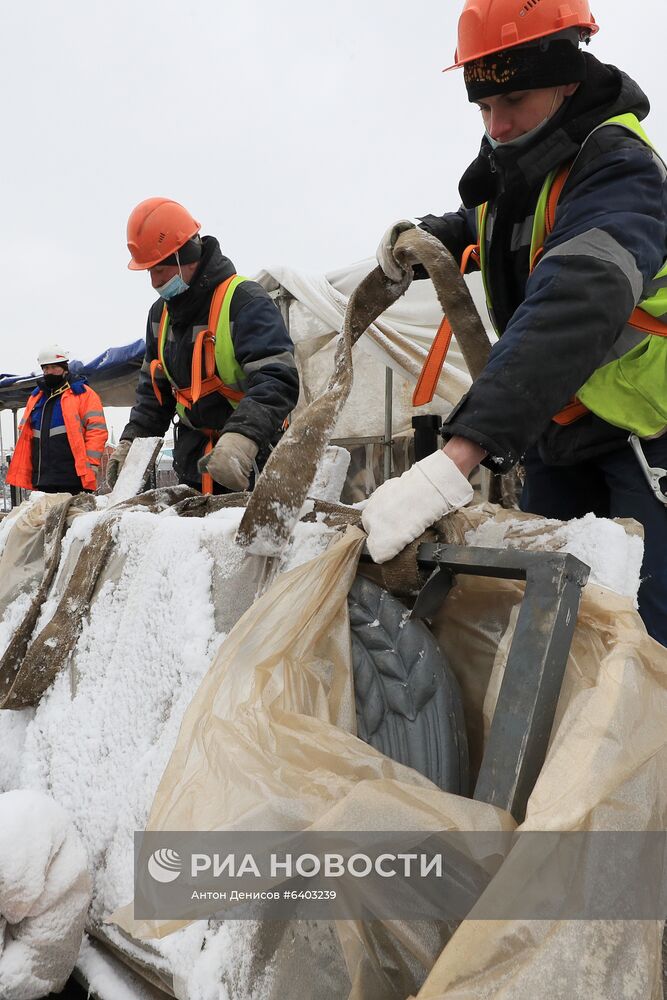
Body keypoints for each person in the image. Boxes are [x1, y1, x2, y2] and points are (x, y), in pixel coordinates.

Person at [364, 0, 667, 646]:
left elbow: (575, 298)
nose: (496, 125)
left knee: (643, 633)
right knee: (546, 620)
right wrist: (419, 241)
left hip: (646, 428)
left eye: (514, 102)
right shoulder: (521, 165)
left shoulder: (620, 169)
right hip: (560, 429)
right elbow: (484, 230)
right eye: (482, 107)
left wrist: (459, 453)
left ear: (566, 78)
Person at [107, 198, 299, 494]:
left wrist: (242, 437)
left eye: (159, 270)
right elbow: (153, 395)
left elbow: (277, 378)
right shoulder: (161, 315)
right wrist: (132, 442)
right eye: (149, 272)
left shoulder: (245, 301)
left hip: (251, 464)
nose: (154, 282)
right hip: (192, 468)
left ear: (186, 255)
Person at [7, 346, 108, 495]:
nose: (49, 371)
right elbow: (26, 436)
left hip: (73, 478)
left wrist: (91, 465)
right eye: (46, 368)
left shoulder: (84, 394)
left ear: (65, 368)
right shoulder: (36, 397)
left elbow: (97, 431)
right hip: (42, 478)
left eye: (54, 367)